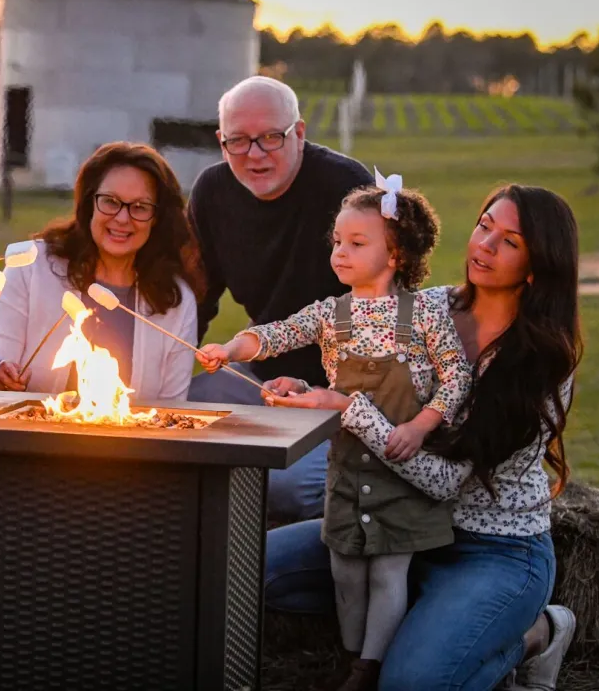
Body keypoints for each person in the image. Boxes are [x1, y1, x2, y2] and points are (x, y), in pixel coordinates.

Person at [262, 184, 582, 691]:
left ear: (539, 266)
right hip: (390, 514)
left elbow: (445, 483)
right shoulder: (425, 308)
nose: (484, 245)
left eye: (510, 241)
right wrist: (310, 390)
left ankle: (537, 634)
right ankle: (413, 618)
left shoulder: (540, 362)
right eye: (484, 226)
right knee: (248, 568)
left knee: (411, 683)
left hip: (491, 548)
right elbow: (370, 389)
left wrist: (348, 410)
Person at [199, 176, 471, 690]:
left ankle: (368, 669)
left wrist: (420, 424)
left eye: (356, 243)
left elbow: (458, 378)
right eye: (337, 242)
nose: (340, 252)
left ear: (395, 254)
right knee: (346, 569)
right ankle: (350, 655)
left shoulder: (426, 314)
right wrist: (232, 350)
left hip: (403, 474)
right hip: (348, 471)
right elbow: (278, 334)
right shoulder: (332, 313)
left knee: (388, 572)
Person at [187, 76, 372, 521]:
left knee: (291, 489)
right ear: (221, 141)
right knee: (176, 429)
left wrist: (343, 401)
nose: (254, 154)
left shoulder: (345, 187)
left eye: (271, 137)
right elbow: (195, 298)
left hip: (339, 390)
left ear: (300, 133)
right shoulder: (212, 192)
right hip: (258, 376)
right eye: (239, 141)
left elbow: (380, 310)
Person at [0, 142, 201, 400]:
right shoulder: (31, 268)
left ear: (156, 218)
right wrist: (0, 379)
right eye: (110, 202)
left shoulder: (175, 302)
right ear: (90, 203)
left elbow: (172, 410)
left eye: (140, 207)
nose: (123, 219)